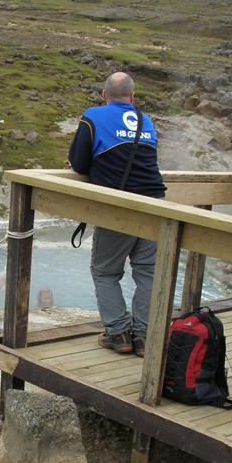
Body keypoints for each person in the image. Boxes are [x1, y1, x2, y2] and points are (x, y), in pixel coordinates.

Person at [68, 71, 166, 357]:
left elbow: (79, 162)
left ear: (104, 95)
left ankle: (119, 333)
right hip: (156, 204)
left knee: (105, 271)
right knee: (147, 272)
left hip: (119, 206)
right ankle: (145, 337)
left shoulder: (93, 116)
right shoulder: (145, 120)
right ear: (132, 97)